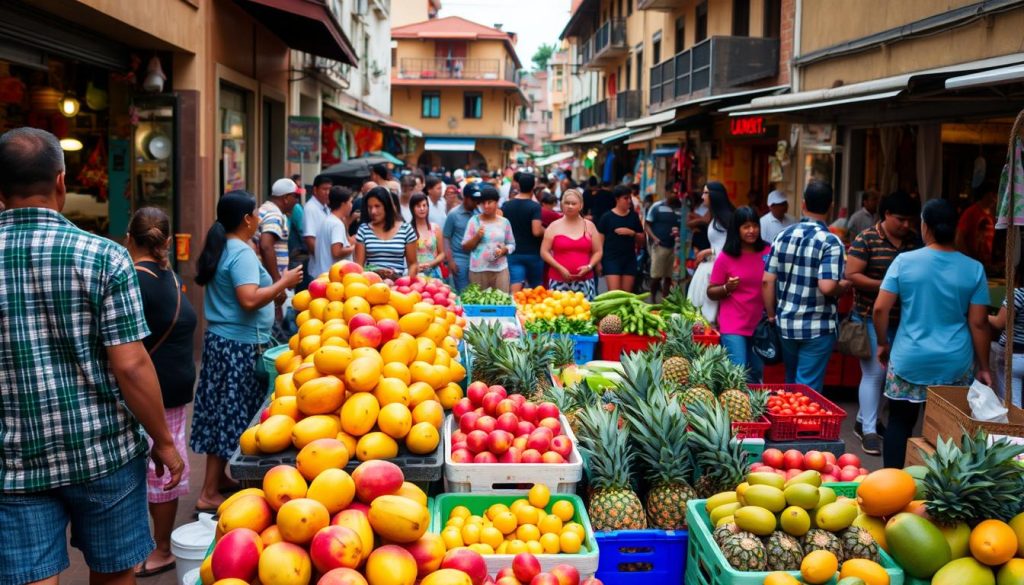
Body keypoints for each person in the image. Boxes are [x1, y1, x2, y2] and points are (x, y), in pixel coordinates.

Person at [0, 127, 184, 585]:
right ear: (62, 183)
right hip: (102, 452)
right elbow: (131, 364)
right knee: (115, 573)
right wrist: (162, 440)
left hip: (13, 458)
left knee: (29, 576)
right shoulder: (103, 256)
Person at [192, 191, 302, 512]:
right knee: (231, 413)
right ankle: (208, 492)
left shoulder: (226, 246)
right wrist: (283, 283)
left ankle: (218, 481)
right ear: (246, 219)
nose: (257, 218)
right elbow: (249, 299)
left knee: (224, 412)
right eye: (254, 213)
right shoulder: (239, 252)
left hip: (223, 343)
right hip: (236, 347)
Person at [874, 199, 991, 468]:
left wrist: (882, 343)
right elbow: (979, 323)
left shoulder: (904, 262)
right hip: (955, 364)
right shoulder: (974, 269)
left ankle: (890, 487)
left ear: (925, 227)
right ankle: (937, 492)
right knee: (947, 432)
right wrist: (984, 366)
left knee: (899, 423)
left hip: (909, 359)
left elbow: (880, 309)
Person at [126, 207, 199, 578]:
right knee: (161, 470)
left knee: (157, 473)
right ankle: (158, 545)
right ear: (167, 242)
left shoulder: (132, 279)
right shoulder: (168, 275)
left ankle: (162, 548)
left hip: (149, 389)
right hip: (173, 384)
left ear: (128, 238)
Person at [844, 192, 922, 455]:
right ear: (886, 214)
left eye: (910, 220)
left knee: (893, 376)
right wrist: (888, 286)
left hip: (904, 320)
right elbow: (852, 275)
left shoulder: (914, 241)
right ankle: (869, 432)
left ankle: (866, 420)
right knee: (875, 374)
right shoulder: (866, 238)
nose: (905, 225)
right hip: (869, 315)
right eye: (900, 219)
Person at [762, 181, 851, 391]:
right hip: (817, 327)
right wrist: (844, 286)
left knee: (791, 381)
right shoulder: (832, 242)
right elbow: (828, 287)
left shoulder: (782, 235)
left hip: (786, 324)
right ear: (831, 206)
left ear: (803, 204)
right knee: (807, 389)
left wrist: (772, 315)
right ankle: (802, 425)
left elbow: (767, 280)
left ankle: (786, 424)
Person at [707, 206, 771, 382]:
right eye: (746, 227)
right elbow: (711, 291)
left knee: (756, 373)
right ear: (737, 229)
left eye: (755, 226)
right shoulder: (726, 257)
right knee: (738, 373)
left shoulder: (768, 252)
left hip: (760, 325)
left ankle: (753, 409)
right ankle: (735, 409)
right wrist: (726, 288)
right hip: (733, 324)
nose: (752, 231)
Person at [541, 188, 604, 299]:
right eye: (567, 203)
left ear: (581, 205)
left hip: (585, 281)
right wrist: (560, 268)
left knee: (585, 314)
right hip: (558, 280)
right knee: (558, 314)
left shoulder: (589, 225)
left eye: (573, 203)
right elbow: (544, 252)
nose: (570, 206)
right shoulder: (554, 226)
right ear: (561, 205)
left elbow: (598, 251)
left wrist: (589, 266)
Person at [687, 182, 735, 324]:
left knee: (709, 316)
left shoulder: (728, 218)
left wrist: (710, 251)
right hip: (709, 267)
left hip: (718, 269)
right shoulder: (716, 217)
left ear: (715, 195)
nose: (702, 197)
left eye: (705, 193)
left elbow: (733, 246)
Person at [258, 177, 300, 338]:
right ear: (286, 198)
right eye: (295, 197)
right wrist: (278, 283)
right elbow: (266, 244)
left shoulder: (265, 209)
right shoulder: (275, 214)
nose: (296, 202)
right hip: (269, 282)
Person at [354, 186, 418, 279]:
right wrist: (376, 273)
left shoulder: (406, 229)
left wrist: (405, 283)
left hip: (398, 285)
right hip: (371, 284)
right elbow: (359, 266)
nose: (373, 211)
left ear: (387, 206)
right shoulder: (363, 230)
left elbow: (413, 264)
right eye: (370, 207)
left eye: (377, 206)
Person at [462, 185, 516, 291]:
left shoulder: (504, 222)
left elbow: (512, 244)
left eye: (489, 202)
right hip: (478, 270)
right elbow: (465, 247)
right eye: (483, 203)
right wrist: (477, 237)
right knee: (480, 304)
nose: (486, 206)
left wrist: (504, 250)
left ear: (496, 202)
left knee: (501, 303)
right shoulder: (474, 221)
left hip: (500, 270)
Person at [502, 172, 545, 292]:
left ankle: (515, 309)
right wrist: (545, 231)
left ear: (518, 186)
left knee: (515, 288)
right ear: (533, 187)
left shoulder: (506, 205)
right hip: (533, 253)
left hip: (513, 253)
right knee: (536, 290)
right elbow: (536, 231)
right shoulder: (535, 207)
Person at [597, 185, 644, 292]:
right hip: (611, 259)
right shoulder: (606, 217)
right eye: (626, 198)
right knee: (614, 295)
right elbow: (599, 242)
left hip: (629, 259)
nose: (629, 201)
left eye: (630, 198)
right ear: (617, 199)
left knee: (626, 296)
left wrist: (632, 233)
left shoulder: (634, 216)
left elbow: (642, 240)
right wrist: (598, 263)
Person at [989, 273, 1024, 408]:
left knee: (1011, 406)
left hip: (1013, 356)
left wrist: (979, 315)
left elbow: (1000, 322)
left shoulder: (1017, 294)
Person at [645, 186, 683, 302]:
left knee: (669, 276)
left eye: (677, 192)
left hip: (675, 247)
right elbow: (647, 224)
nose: (675, 194)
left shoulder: (681, 209)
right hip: (659, 246)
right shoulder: (656, 207)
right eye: (672, 192)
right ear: (666, 192)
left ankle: (665, 300)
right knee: (656, 275)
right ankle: (652, 299)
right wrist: (654, 238)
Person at [443, 183, 481, 292]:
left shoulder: (478, 213)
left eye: (477, 200)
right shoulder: (453, 214)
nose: (475, 203)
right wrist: (450, 261)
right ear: (465, 198)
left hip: (476, 259)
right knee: (464, 293)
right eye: (473, 199)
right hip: (459, 259)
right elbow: (446, 237)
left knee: (476, 292)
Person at [309, 186, 354, 278]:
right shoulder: (336, 224)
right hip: (331, 278)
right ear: (343, 204)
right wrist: (353, 248)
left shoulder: (327, 220)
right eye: (350, 202)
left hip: (322, 275)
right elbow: (336, 252)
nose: (351, 205)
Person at [956, 182, 997, 268]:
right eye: (994, 195)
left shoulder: (991, 214)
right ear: (987, 195)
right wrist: (969, 261)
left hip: (985, 265)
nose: (995, 199)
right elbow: (958, 239)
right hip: (970, 265)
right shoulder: (971, 212)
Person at [410, 193, 445, 279]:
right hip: (416, 273)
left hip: (434, 273)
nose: (422, 209)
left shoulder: (435, 228)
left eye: (424, 205)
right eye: (418, 206)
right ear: (412, 209)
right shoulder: (408, 229)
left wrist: (430, 263)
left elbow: (442, 253)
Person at [302, 174, 333, 259]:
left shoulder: (326, 207)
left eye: (330, 189)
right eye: (324, 189)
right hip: (319, 265)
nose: (328, 193)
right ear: (315, 190)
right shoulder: (310, 208)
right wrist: (321, 259)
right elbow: (309, 238)